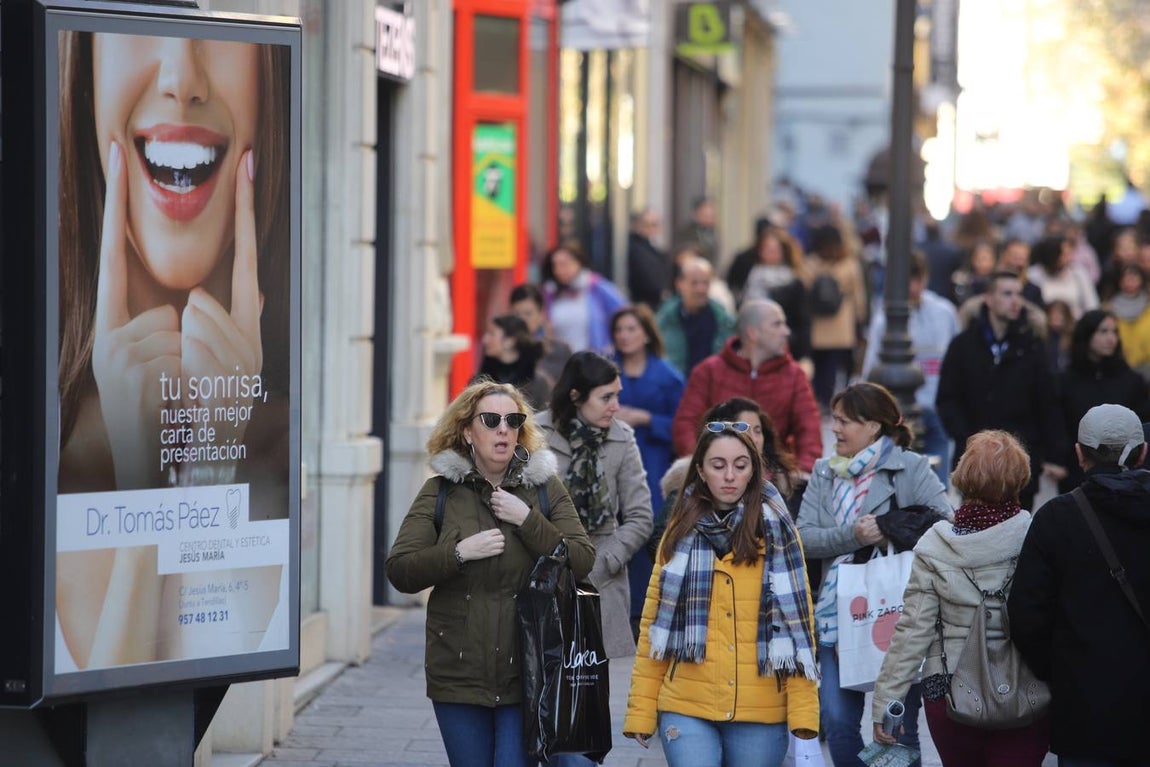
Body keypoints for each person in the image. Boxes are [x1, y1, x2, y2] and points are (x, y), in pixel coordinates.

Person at [55, 31, 292, 670]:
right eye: (137, 30)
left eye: (209, 37)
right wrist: (146, 484)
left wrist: (208, 456)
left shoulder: (292, 446)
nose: (182, 77)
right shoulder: (40, 431)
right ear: (83, 67)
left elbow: (194, 676)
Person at [385, 381, 595, 767]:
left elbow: (582, 559)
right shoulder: (440, 492)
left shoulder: (545, 490)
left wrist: (529, 521)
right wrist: (459, 553)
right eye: (491, 419)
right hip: (458, 672)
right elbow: (400, 569)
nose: (503, 429)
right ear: (467, 431)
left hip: (530, 673)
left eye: (512, 420)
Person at [623, 423, 820, 767]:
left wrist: (804, 714)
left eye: (740, 465)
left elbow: (800, 627)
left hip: (760, 707)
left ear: (754, 470)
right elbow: (653, 628)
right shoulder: (678, 532)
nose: (729, 475)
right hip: (685, 702)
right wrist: (641, 710)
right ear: (699, 470)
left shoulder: (780, 534)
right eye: (718, 465)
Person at [871, 430, 1050, 766]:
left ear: (962, 478)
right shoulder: (1038, 538)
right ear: (1019, 480)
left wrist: (886, 702)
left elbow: (912, 631)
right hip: (1026, 692)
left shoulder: (935, 546)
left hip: (951, 693)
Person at [796, 382, 952, 767]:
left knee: (897, 728)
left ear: (874, 426)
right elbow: (802, 537)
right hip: (836, 616)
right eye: (835, 419)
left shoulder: (910, 467)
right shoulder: (823, 472)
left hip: (898, 616)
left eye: (845, 421)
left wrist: (890, 526)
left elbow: (945, 525)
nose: (835, 429)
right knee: (836, 720)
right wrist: (852, 535)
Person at [1009, 404, 1150, 767]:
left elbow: (1027, 613)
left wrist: (1057, 670)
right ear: (1143, 453)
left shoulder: (1056, 519)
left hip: (1086, 707)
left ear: (1079, 454)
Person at [535, 352, 654, 766]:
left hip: (596, 588)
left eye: (617, 396)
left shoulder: (622, 438)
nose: (616, 406)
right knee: (538, 697)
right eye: (606, 397)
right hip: (540, 581)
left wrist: (599, 563)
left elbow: (640, 516)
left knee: (586, 706)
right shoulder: (534, 433)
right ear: (576, 396)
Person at [937, 271, 1067, 512]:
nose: (1015, 301)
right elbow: (948, 398)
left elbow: (1047, 402)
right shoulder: (963, 345)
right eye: (1007, 294)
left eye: (1018, 294)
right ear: (988, 298)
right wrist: (967, 439)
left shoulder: (1032, 347)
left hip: (1020, 464)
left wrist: (1052, 454)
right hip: (975, 462)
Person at [672, 299, 823, 474]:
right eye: (777, 324)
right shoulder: (708, 371)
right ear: (753, 333)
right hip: (716, 478)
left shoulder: (795, 375)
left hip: (773, 480)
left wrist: (798, 475)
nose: (786, 332)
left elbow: (809, 432)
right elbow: (685, 424)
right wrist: (705, 465)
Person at [609, 306, 685, 638]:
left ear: (646, 333)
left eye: (631, 329)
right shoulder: (608, 372)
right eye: (620, 330)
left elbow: (682, 426)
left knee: (647, 532)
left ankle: (645, 610)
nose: (625, 336)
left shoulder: (668, 377)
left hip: (652, 462)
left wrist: (646, 418)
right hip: (612, 463)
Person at [863, 250, 960, 486]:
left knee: (937, 486)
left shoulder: (944, 312)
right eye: (908, 280)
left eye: (918, 279)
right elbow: (871, 365)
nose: (913, 287)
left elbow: (957, 360)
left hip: (937, 409)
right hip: (898, 414)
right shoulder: (884, 317)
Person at [1055, 310, 1149, 493]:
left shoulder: (1131, 380)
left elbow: (1141, 425)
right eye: (1103, 331)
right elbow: (1058, 424)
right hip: (1077, 470)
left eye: (1114, 332)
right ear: (1087, 335)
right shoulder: (1065, 381)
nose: (1111, 338)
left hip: (1124, 473)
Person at [805, 223, 868, 409]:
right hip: (841, 324)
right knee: (835, 366)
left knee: (822, 365)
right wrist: (861, 319)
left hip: (819, 324)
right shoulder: (850, 264)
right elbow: (859, 296)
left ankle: (822, 402)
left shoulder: (809, 264)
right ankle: (828, 401)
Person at [655, 254, 736, 377]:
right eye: (694, 283)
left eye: (705, 283)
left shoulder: (724, 321)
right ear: (679, 284)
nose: (701, 289)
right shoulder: (664, 320)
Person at [741, 225, 812, 364]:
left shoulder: (793, 281)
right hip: (755, 348)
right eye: (767, 249)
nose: (770, 253)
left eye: (775, 249)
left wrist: (805, 356)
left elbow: (804, 322)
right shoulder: (752, 275)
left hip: (787, 349)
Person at [540, 242, 626, 354]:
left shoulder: (597, 288)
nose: (558, 271)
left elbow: (623, 312)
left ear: (578, 263)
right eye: (555, 265)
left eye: (564, 264)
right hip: (561, 362)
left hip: (594, 359)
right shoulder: (549, 293)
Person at [474, 314, 549, 410]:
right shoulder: (479, 380)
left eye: (492, 334)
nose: (485, 339)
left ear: (510, 341)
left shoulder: (538, 382)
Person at [509, 282, 573, 387]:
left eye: (528, 314)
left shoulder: (561, 349)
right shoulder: (502, 348)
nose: (522, 320)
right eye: (516, 314)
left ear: (541, 314)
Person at [1026, 234, 1099, 321]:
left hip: (1075, 324)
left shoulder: (1079, 273)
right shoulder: (1033, 274)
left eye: (1069, 253)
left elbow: (1092, 305)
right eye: (1064, 255)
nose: (1069, 258)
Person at [1106, 264, 1150, 378]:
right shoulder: (1108, 309)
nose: (1129, 280)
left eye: (1134, 276)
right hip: (1118, 366)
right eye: (1125, 276)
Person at [626, 208, 672, 311]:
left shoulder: (652, 247)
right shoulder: (635, 248)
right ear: (637, 225)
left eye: (654, 225)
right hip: (643, 303)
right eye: (646, 225)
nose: (651, 229)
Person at [674, 196, 719, 266]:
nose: (709, 220)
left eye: (712, 216)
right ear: (696, 214)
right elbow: (682, 256)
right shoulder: (688, 233)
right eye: (705, 216)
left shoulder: (712, 232)